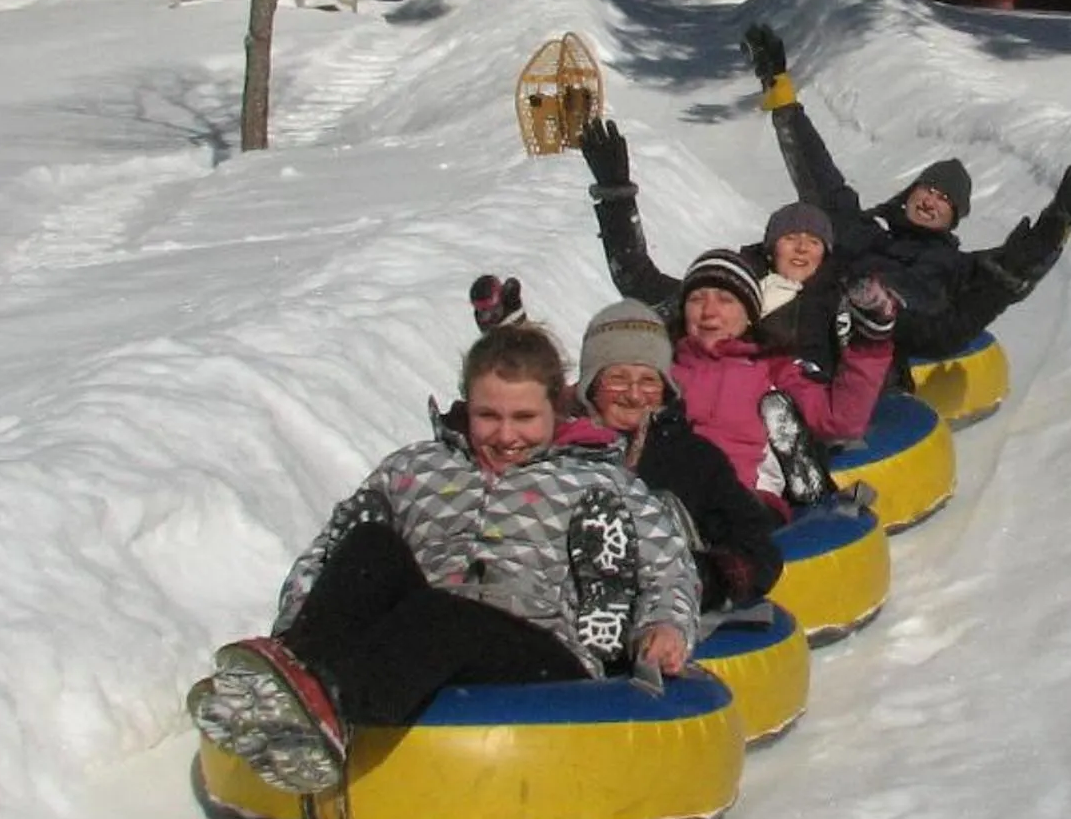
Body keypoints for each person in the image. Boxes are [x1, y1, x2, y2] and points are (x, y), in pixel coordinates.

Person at [193, 323, 700, 794]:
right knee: (371, 543)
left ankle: (336, 706)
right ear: (465, 405)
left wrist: (665, 625)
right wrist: (294, 625)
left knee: (443, 614)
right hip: (418, 643)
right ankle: (292, 682)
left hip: (540, 653)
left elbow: (667, 565)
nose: (505, 436)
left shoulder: (601, 479)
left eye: (524, 418)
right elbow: (330, 551)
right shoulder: (413, 468)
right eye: (488, 416)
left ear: (557, 410)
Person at [743, 20, 1071, 363]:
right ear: (908, 193)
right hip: (803, 309)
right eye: (928, 190)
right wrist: (782, 94)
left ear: (953, 219)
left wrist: (1058, 224)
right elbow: (817, 173)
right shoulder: (859, 226)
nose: (931, 201)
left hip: (869, 338)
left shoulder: (953, 265)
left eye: (945, 201)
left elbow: (1008, 270)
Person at [577, 116, 853, 378]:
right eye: (791, 238)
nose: (802, 248)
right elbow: (636, 278)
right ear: (770, 249)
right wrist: (616, 197)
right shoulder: (727, 292)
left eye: (814, 241)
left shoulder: (841, 305)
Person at [570, 298, 785, 616]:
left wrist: (707, 577)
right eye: (617, 379)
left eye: (648, 381)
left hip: (672, 614)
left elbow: (759, 548)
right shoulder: (562, 454)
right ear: (589, 386)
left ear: (665, 388)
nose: (633, 394)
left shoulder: (694, 459)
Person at [666, 248, 898, 511]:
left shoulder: (773, 368)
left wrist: (869, 344)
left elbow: (837, 420)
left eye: (725, 300)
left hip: (744, 501)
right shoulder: (663, 372)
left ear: (750, 315)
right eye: (697, 299)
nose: (709, 311)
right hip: (671, 499)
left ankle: (803, 467)